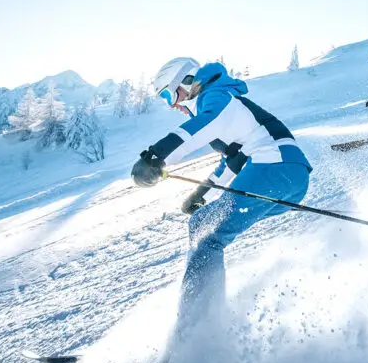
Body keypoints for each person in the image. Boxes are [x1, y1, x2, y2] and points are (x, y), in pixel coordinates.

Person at [131, 57, 312, 327]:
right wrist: (200, 194)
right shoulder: (224, 104)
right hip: (289, 178)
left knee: (206, 232)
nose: (171, 104)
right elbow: (232, 161)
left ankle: (199, 327)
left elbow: (202, 126)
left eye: (169, 93)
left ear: (188, 80)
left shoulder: (215, 96)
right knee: (203, 222)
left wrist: (155, 157)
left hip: (274, 167)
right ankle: (204, 321)